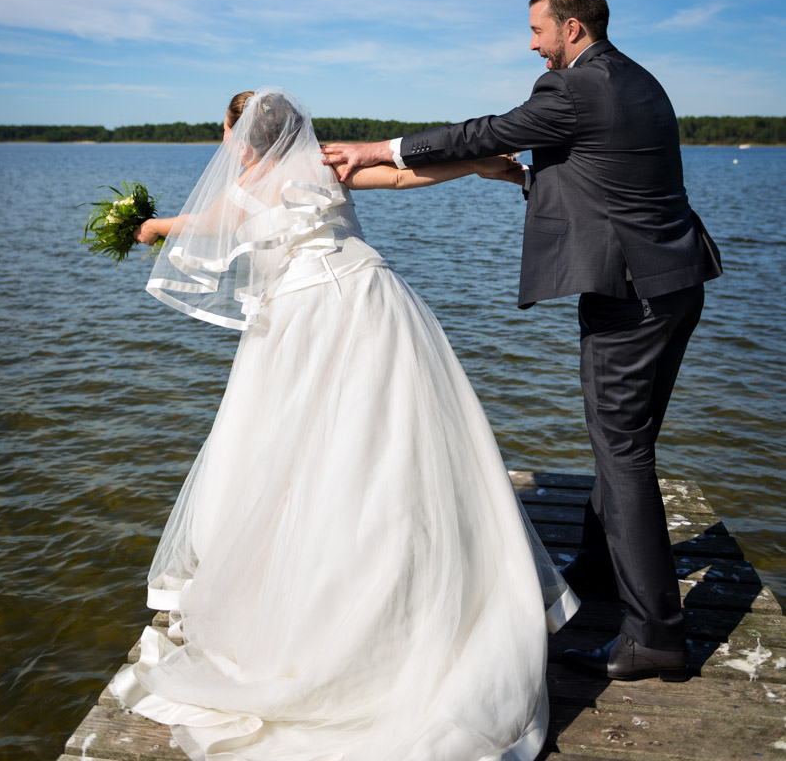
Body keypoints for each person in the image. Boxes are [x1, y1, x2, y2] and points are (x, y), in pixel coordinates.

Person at [111, 87, 579, 761]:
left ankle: (326, 602)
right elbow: (400, 173)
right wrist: (474, 165)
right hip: (374, 298)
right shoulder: (325, 164)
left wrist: (150, 227)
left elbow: (204, 225)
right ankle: (422, 584)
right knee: (390, 444)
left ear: (241, 135)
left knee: (299, 455)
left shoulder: (247, 182)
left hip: (305, 320)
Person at [323, 0, 722, 683]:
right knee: (626, 442)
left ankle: (654, 635)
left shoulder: (570, 88)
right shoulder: (636, 79)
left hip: (629, 295)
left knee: (621, 450)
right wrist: (522, 182)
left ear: (570, 28)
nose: (531, 43)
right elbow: (607, 176)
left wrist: (375, 146)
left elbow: (481, 133)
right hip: (674, 280)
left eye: (537, 30)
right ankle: (602, 573)